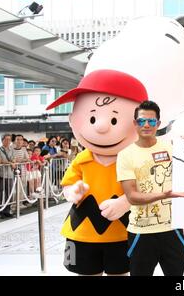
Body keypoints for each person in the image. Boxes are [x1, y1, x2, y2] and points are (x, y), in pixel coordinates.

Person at [46, 69, 149, 276]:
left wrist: (124, 202)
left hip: (122, 231)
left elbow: (146, 189)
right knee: (84, 272)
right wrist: (73, 192)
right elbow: (68, 186)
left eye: (114, 120)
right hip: (81, 232)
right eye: (92, 119)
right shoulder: (81, 160)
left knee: (120, 273)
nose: (101, 127)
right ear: (72, 120)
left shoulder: (134, 160)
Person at [117, 100, 184, 276]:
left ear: (158, 124)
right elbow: (132, 196)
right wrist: (162, 195)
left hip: (172, 230)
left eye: (151, 121)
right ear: (135, 123)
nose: (147, 125)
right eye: (142, 121)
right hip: (141, 232)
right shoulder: (125, 155)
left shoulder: (172, 148)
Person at [0, 134, 16, 218]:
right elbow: (0, 161)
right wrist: (10, 163)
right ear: (2, 140)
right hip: (0, 174)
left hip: (10, 174)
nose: (8, 141)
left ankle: (7, 210)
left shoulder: (12, 149)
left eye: (9, 139)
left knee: (9, 193)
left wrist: (13, 162)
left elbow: (14, 158)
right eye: (6, 139)